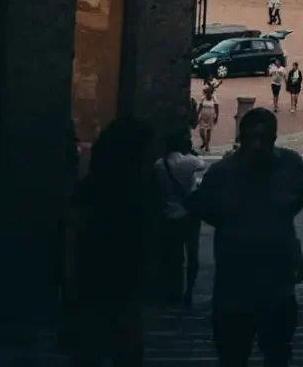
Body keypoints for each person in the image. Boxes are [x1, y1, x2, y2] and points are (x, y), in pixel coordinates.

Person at [192, 106, 303, 367]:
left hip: (275, 286)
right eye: (251, 138)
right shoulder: (220, 175)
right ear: (241, 139)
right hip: (234, 288)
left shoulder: (291, 165)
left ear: (274, 139)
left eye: (264, 138)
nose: (257, 145)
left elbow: (297, 200)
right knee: (233, 355)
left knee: (277, 352)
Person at [58, 116, 152, 367]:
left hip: (98, 288)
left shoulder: (91, 190)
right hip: (108, 289)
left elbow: (71, 238)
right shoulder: (131, 194)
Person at [154, 128, 203, 307]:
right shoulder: (190, 162)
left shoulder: (160, 164)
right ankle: (188, 290)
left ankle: (172, 290)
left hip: (170, 214)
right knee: (192, 255)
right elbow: (201, 163)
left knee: (173, 257)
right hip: (189, 215)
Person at [194, 83, 220, 154]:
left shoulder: (214, 100)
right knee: (201, 131)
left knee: (208, 131)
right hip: (203, 117)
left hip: (210, 117)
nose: (207, 95)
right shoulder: (203, 99)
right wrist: (197, 115)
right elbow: (200, 107)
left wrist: (216, 117)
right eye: (206, 93)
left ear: (211, 93)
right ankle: (205, 142)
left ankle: (207, 145)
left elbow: (217, 109)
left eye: (208, 93)